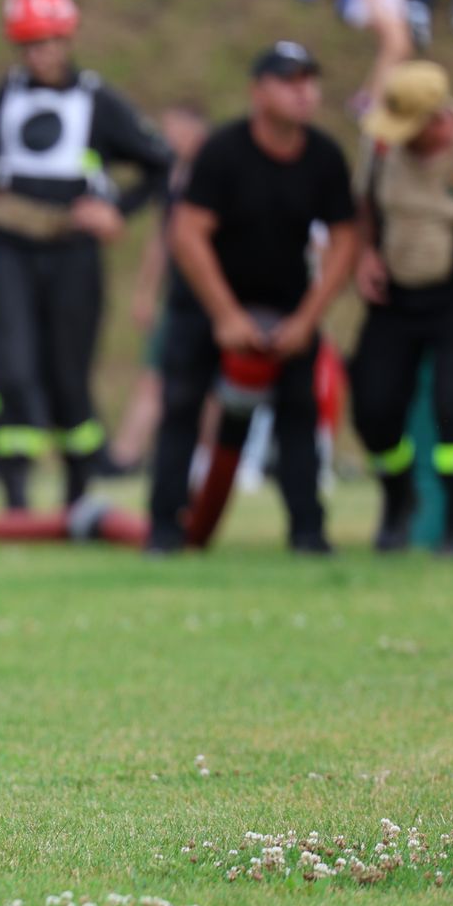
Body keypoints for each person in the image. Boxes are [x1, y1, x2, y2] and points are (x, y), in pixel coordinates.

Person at [0, 0, 173, 512]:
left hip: (73, 253)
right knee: (13, 369)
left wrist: (116, 208)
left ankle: (77, 491)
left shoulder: (98, 102)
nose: (39, 55)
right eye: (28, 45)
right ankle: (15, 496)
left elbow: (159, 163)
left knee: (69, 372)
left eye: (48, 42)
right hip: (11, 252)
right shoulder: (2, 99)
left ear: (67, 40)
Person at [150, 42, 359, 555]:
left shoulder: (324, 157)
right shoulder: (223, 152)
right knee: (181, 405)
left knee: (298, 413)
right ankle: (164, 530)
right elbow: (187, 233)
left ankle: (308, 532)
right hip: (205, 302)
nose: (303, 92)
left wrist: (308, 319)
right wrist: (225, 315)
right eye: (289, 81)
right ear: (257, 92)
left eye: (309, 80)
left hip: (285, 303)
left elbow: (346, 240)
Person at [350, 61, 453, 554]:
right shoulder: (379, 146)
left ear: (439, 119)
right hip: (396, 292)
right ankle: (398, 502)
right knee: (374, 406)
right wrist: (365, 253)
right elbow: (364, 206)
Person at [108, 101, 210, 476]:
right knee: (154, 375)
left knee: (210, 385)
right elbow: (161, 239)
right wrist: (146, 292)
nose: (166, 139)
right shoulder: (170, 178)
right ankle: (125, 455)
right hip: (179, 295)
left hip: (212, 295)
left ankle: (204, 460)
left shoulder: (216, 174)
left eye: (174, 130)